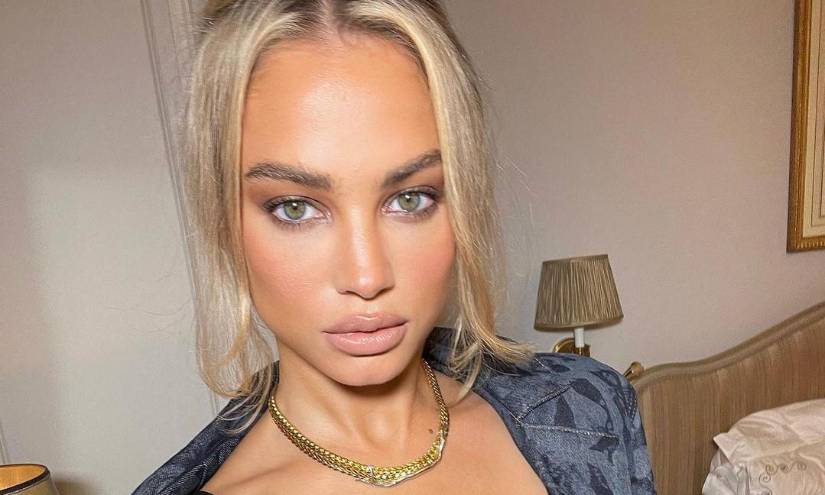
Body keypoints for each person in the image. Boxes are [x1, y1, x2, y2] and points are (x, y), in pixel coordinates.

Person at [133, 0, 655, 493]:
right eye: (295, 208)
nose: (367, 277)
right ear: (223, 222)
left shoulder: (592, 407)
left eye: (411, 199)